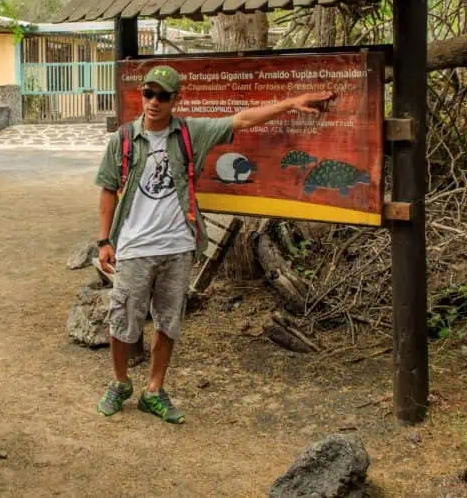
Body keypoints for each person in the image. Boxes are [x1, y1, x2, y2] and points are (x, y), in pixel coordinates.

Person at [94, 65, 333, 424]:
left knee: (168, 322)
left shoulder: (191, 132)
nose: (154, 102)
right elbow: (108, 189)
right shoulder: (124, 139)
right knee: (122, 318)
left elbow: (243, 120)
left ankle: (155, 390)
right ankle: (120, 382)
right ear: (141, 95)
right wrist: (104, 240)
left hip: (178, 245)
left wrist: (292, 102)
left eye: (162, 95)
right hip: (133, 247)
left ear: (177, 99)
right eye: (148, 93)